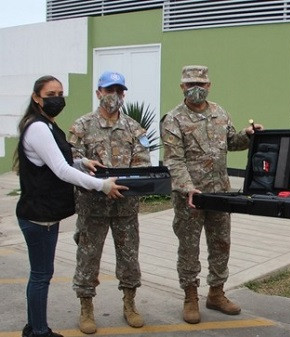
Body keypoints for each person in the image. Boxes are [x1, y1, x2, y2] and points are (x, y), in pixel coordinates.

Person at [14, 75, 126, 337]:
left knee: (40, 274)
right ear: (36, 98)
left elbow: (58, 162)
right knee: (41, 276)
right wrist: (102, 185)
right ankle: (39, 331)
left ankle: (33, 327)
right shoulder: (38, 127)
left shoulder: (49, 125)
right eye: (51, 93)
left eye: (60, 93)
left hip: (45, 215)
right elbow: (61, 170)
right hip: (38, 216)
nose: (57, 98)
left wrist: (82, 162)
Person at [160, 65, 263, 324]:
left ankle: (216, 293)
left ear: (209, 85)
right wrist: (187, 187)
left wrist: (249, 137)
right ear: (182, 87)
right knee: (189, 248)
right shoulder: (173, 119)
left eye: (202, 84)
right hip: (191, 197)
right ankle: (190, 296)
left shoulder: (219, 112)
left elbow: (231, 143)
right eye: (190, 84)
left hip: (220, 193)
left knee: (221, 245)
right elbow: (174, 161)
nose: (197, 89)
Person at [69, 71, 152, 334]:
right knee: (88, 258)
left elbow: (143, 163)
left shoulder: (134, 128)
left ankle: (129, 305)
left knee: (129, 259)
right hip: (92, 207)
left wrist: (129, 183)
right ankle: (86, 308)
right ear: (98, 93)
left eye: (119, 91)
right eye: (108, 90)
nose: (114, 96)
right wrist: (88, 171)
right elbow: (70, 161)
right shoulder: (81, 126)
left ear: (124, 94)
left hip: (125, 207)